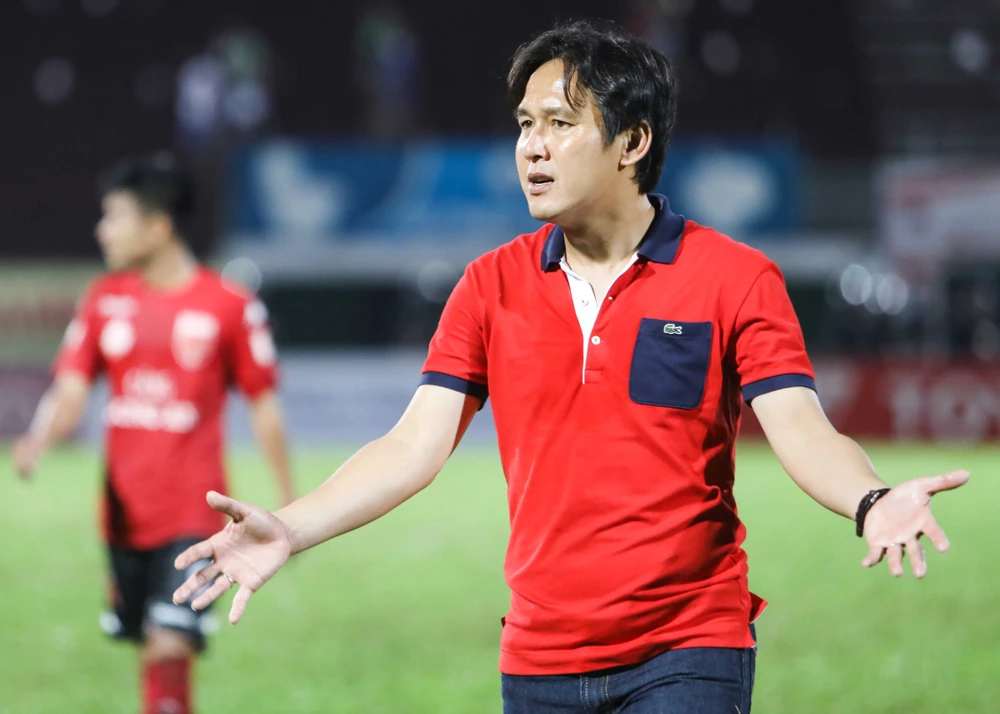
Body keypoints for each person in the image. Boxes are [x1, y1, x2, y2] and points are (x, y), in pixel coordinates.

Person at [171, 20, 968, 714]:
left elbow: (803, 430)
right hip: (539, 657)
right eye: (525, 124)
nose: (532, 146)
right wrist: (293, 528)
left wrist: (869, 499)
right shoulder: (490, 285)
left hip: (689, 646)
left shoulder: (735, 277)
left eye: (559, 123)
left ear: (632, 143)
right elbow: (411, 446)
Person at [12, 155, 294, 714]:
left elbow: (264, 406)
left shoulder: (228, 305)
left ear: (158, 226)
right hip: (121, 515)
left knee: (170, 643)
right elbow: (69, 390)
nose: (103, 230)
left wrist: (289, 503)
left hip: (194, 514)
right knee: (150, 643)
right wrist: (39, 437)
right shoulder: (103, 300)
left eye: (114, 217)